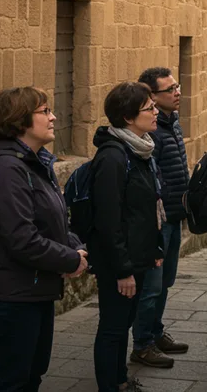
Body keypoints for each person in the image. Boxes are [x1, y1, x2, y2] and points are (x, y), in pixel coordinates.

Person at [0, 87, 89, 392]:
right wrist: (69, 259)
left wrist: (74, 245)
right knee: (11, 381)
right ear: (20, 120)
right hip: (11, 294)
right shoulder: (6, 169)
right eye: (44, 111)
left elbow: (53, 220)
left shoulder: (34, 164)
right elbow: (21, 238)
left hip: (34, 289)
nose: (53, 117)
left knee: (31, 375)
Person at [89, 82, 165, 392]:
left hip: (138, 257)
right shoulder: (113, 157)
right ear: (129, 117)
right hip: (120, 263)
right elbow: (109, 220)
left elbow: (144, 209)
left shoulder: (140, 150)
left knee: (122, 326)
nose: (155, 112)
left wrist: (153, 249)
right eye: (149, 108)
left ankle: (119, 379)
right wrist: (123, 270)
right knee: (113, 328)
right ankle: (110, 384)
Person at [129, 67, 191, 367]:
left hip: (174, 216)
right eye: (170, 90)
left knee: (165, 281)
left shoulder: (172, 123)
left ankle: (155, 331)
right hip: (158, 221)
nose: (177, 92)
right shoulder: (151, 132)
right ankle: (142, 344)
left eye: (177, 86)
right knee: (151, 286)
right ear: (152, 96)